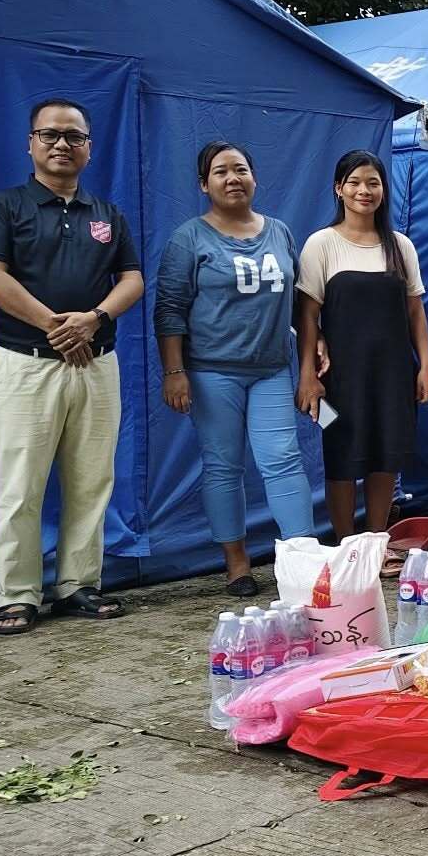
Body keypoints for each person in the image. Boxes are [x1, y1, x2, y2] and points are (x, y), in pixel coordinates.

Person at [0, 99, 144, 635]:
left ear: (89, 147)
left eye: (74, 136)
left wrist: (92, 320)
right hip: (25, 365)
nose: (62, 144)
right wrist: (57, 326)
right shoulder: (4, 206)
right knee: (19, 484)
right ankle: (17, 595)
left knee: (92, 481)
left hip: (96, 364)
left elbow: (132, 279)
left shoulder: (106, 214)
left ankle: (78, 586)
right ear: (31, 143)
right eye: (50, 135)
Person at [155, 142, 317, 595]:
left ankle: (302, 559)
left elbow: (299, 303)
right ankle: (237, 562)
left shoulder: (280, 231)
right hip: (211, 373)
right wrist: (174, 371)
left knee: (283, 461)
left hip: (270, 368)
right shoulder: (189, 238)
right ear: (204, 184)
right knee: (224, 466)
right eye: (221, 172)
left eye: (241, 169)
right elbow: (169, 308)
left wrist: (311, 356)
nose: (233, 178)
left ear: (254, 177)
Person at [294, 150, 428, 540]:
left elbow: (416, 310)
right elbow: (306, 316)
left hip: (393, 374)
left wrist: (425, 365)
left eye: (373, 182)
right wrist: (307, 375)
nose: (364, 190)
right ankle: (344, 544)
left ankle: (376, 541)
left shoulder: (400, 246)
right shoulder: (320, 244)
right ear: (339, 189)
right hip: (336, 379)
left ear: (384, 190)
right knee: (340, 458)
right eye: (354, 182)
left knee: (386, 457)